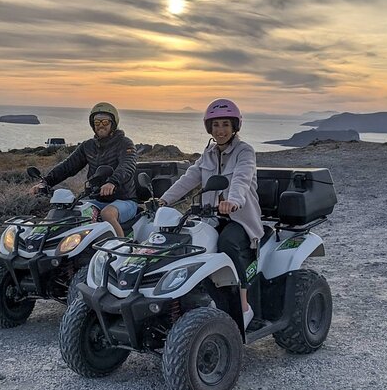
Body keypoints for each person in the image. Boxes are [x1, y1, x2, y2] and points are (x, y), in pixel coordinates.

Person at [157, 98, 264, 328]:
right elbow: (189, 179)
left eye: (225, 124)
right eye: (216, 125)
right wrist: (164, 200)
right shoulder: (209, 153)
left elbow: (242, 179)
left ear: (235, 126)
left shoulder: (245, 151)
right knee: (183, 242)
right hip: (210, 217)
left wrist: (233, 201)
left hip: (240, 219)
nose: (221, 130)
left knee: (227, 243)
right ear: (209, 128)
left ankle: (244, 307)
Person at [30, 102, 137, 237]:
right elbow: (67, 166)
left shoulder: (125, 143)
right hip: (96, 199)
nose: (100, 125)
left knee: (107, 214)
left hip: (124, 199)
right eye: (97, 122)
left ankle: (120, 247)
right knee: (71, 212)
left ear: (113, 123)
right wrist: (45, 182)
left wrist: (112, 182)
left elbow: (127, 165)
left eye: (105, 121)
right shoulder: (88, 146)